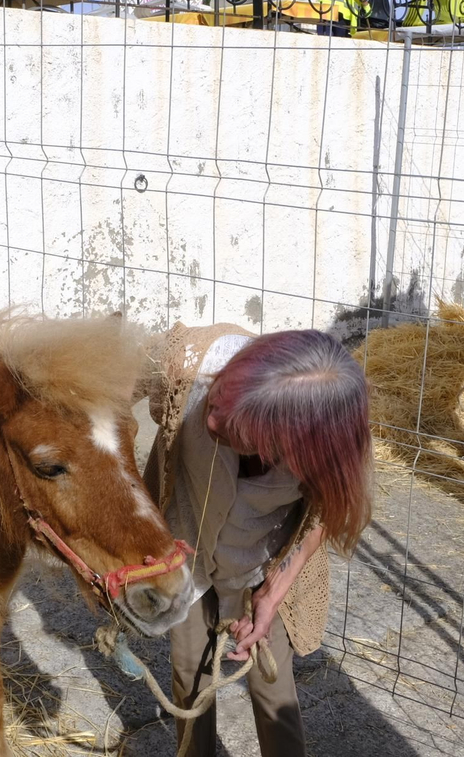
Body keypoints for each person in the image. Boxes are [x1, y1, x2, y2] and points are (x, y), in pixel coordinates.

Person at [142, 324, 374, 756]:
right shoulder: (190, 364)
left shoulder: (330, 449)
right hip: (186, 552)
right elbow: (110, 393)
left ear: (290, 444)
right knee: (190, 672)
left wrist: (273, 594)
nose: (210, 419)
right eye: (219, 399)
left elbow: (321, 517)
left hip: (261, 563)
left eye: (235, 427)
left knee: (273, 686)